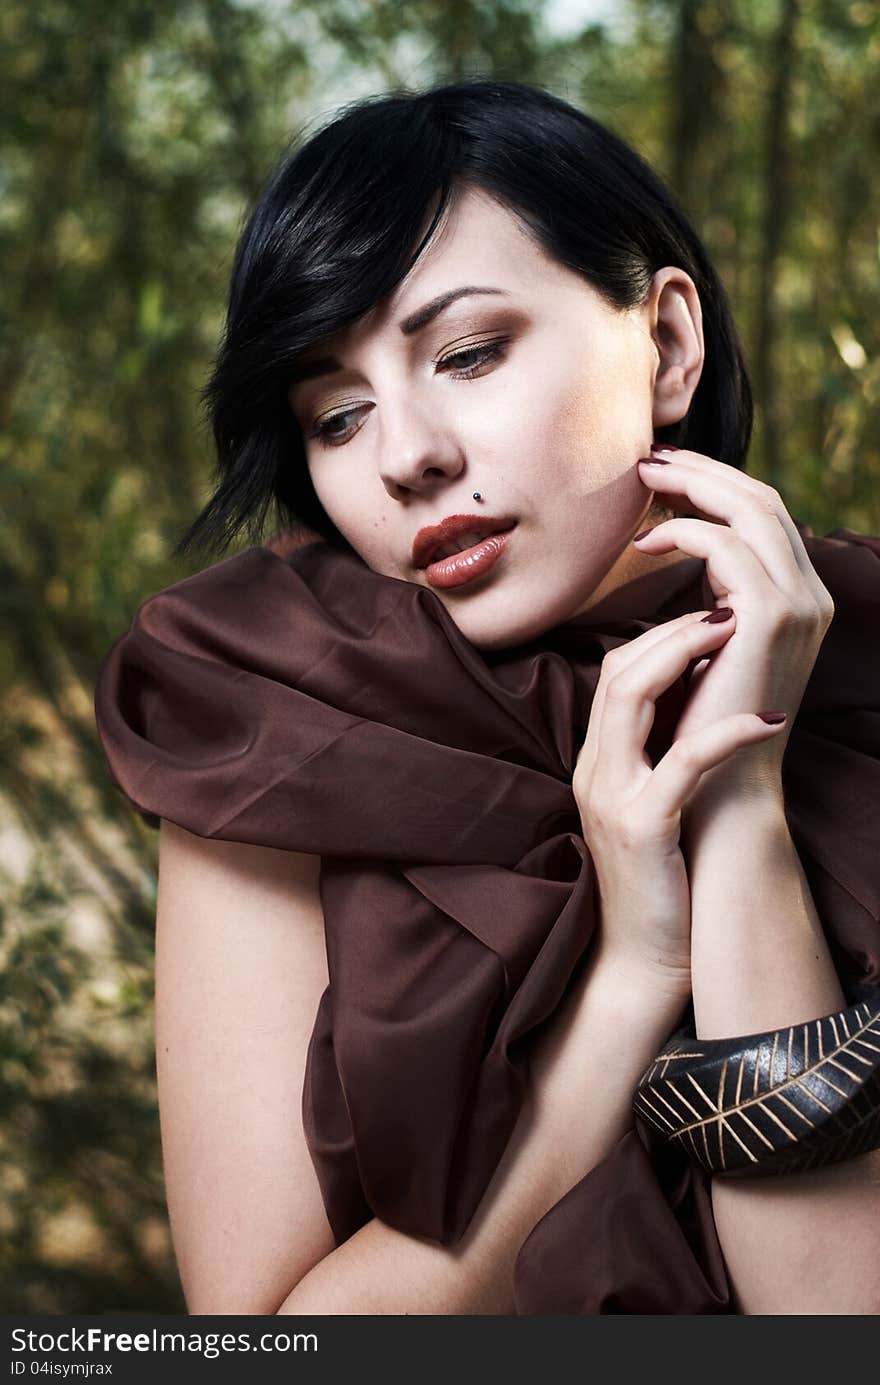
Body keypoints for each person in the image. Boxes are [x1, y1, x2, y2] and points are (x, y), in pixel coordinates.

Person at [94, 79, 880, 1315]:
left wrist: (737, 783)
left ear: (668, 343)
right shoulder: (273, 721)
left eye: (465, 354)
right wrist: (632, 973)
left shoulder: (863, 668)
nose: (406, 455)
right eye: (336, 415)